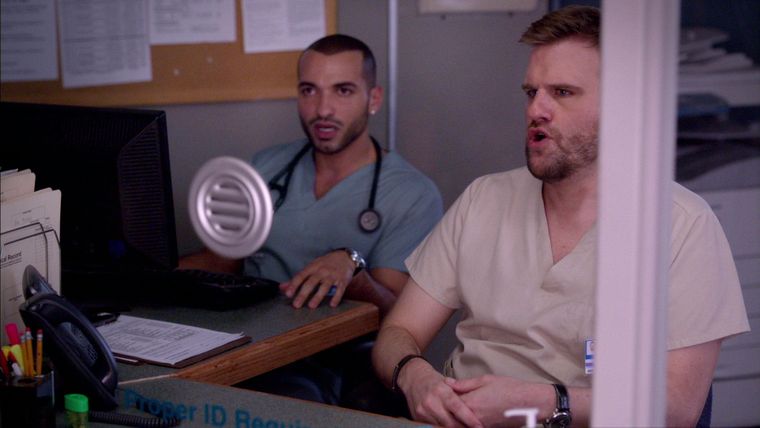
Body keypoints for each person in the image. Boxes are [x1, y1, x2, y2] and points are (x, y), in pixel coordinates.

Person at [372, 6, 749, 428]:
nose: (536, 109)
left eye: (563, 92)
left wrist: (540, 402)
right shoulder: (484, 199)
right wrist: (415, 376)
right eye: (531, 92)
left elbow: (677, 408)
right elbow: (398, 332)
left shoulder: (682, 225)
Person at [182, 34, 443, 406]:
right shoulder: (265, 168)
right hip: (247, 347)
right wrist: (142, 266)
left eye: (343, 91)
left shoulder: (411, 193)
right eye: (309, 90)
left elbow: (400, 320)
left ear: (373, 99)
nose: (323, 109)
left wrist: (353, 268)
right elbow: (221, 263)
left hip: (337, 361)